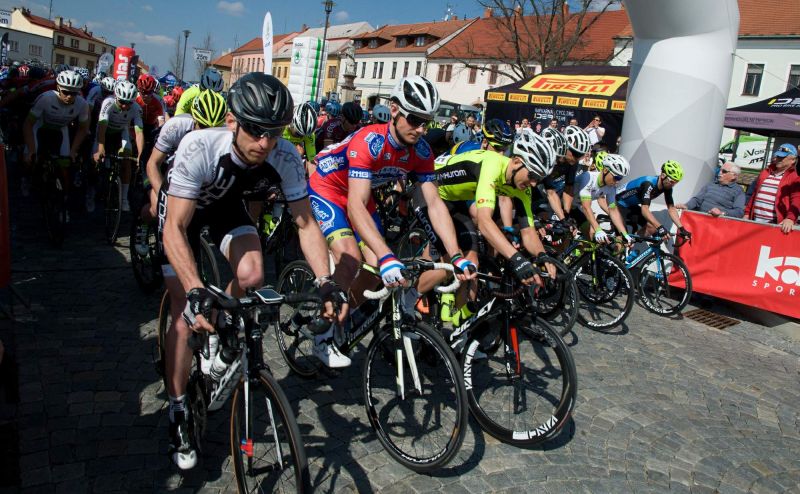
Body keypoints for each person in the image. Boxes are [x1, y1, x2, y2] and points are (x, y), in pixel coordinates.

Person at [158, 72, 342, 470]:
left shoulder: (285, 156)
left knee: (253, 275)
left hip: (225, 206)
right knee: (183, 310)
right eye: (256, 131)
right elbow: (174, 227)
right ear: (232, 121)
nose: (265, 143)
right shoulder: (198, 147)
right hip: (181, 212)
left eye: (274, 133)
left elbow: (306, 223)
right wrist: (195, 290)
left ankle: (222, 324)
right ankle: (178, 410)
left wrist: (326, 281)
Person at [307, 75, 476, 367]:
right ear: (395, 110)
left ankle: (343, 314)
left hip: (360, 194)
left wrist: (456, 255)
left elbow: (434, 203)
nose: (421, 129)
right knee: (351, 259)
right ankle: (322, 335)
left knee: (374, 271)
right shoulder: (369, 141)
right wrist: (388, 256)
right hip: (329, 188)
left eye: (427, 122)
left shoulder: (421, 150)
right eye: (415, 120)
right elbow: (356, 206)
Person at [423, 131, 557, 324]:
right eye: (533, 175)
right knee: (450, 262)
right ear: (517, 162)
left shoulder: (523, 187)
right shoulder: (492, 165)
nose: (534, 183)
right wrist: (517, 260)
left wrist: (542, 256)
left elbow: (528, 231)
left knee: (471, 263)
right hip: (430, 189)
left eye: (539, 178)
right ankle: (408, 296)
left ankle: (460, 325)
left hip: (455, 201)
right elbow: (484, 222)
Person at [22, 69, 91, 210]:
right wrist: (31, 150)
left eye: (74, 93)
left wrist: (73, 151)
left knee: (64, 165)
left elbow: (83, 129)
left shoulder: (82, 104)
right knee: (31, 159)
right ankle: (26, 178)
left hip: (60, 129)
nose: (70, 96)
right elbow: (28, 124)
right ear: (58, 88)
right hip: (40, 127)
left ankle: (63, 200)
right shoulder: (46, 98)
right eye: (66, 92)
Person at [93, 80, 144, 212]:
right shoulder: (108, 102)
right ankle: (90, 194)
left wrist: (140, 154)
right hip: (105, 131)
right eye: (122, 102)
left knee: (126, 160)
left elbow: (139, 132)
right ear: (116, 97)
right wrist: (101, 148)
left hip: (121, 132)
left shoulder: (136, 108)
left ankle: (124, 199)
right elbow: (102, 126)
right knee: (95, 160)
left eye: (129, 103)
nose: (125, 106)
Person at [615, 160, 689, 239]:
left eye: (676, 182)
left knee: (651, 228)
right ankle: (624, 243)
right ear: (663, 175)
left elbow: (671, 209)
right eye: (672, 181)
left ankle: (631, 242)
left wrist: (681, 229)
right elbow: (645, 210)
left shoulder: (667, 187)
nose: (673, 185)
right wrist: (660, 227)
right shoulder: (648, 184)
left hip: (630, 206)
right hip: (618, 203)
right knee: (622, 239)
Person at [574, 153, 632, 244]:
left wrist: (624, 234)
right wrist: (598, 230)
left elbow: (613, 210)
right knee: (563, 237)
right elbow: (586, 207)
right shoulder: (588, 178)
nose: (617, 182)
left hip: (576, 208)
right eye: (616, 177)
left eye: (620, 179)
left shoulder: (611, 188)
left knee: (591, 236)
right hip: (563, 204)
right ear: (605, 170)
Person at [744, 143, 800, 234]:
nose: (778, 159)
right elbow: (754, 194)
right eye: (778, 156)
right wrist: (747, 213)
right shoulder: (765, 172)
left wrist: (790, 218)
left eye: (782, 157)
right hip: (754, 221)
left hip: (775, 226)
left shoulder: (794, 178)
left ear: (793, 160)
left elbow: (797, 200)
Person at [676, 162, 745, 218]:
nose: (720, 173)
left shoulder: (738, 191)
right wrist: (687, 206)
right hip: (698, 221)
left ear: (734, 176)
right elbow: (697, 200)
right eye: (720, 170)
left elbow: (739, 212)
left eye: (724, 171)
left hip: (717, 226)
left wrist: (722, 213)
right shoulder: (710, 184)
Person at [282, 101, 318, 174]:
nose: (301, 137)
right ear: (291, 124)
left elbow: (311, 161)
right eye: (298, 134)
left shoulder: (309, 134)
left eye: (303, 135)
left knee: (300, 151)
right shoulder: (281, 126)